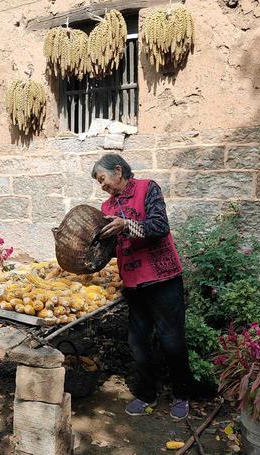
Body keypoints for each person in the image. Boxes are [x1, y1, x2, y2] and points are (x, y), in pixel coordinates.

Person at [91, 153, 192, 421]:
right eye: (99, 183)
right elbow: (111, 249)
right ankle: (147, 394)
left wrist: (126, 225)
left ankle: (182, 394)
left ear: (117, 170)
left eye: (103, 180)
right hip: (133, 283)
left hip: (163, 278)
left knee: (172, 340)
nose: (103, 186)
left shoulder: (148, 188)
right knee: (138, 344)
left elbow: (160, 226)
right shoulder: (106, 207)